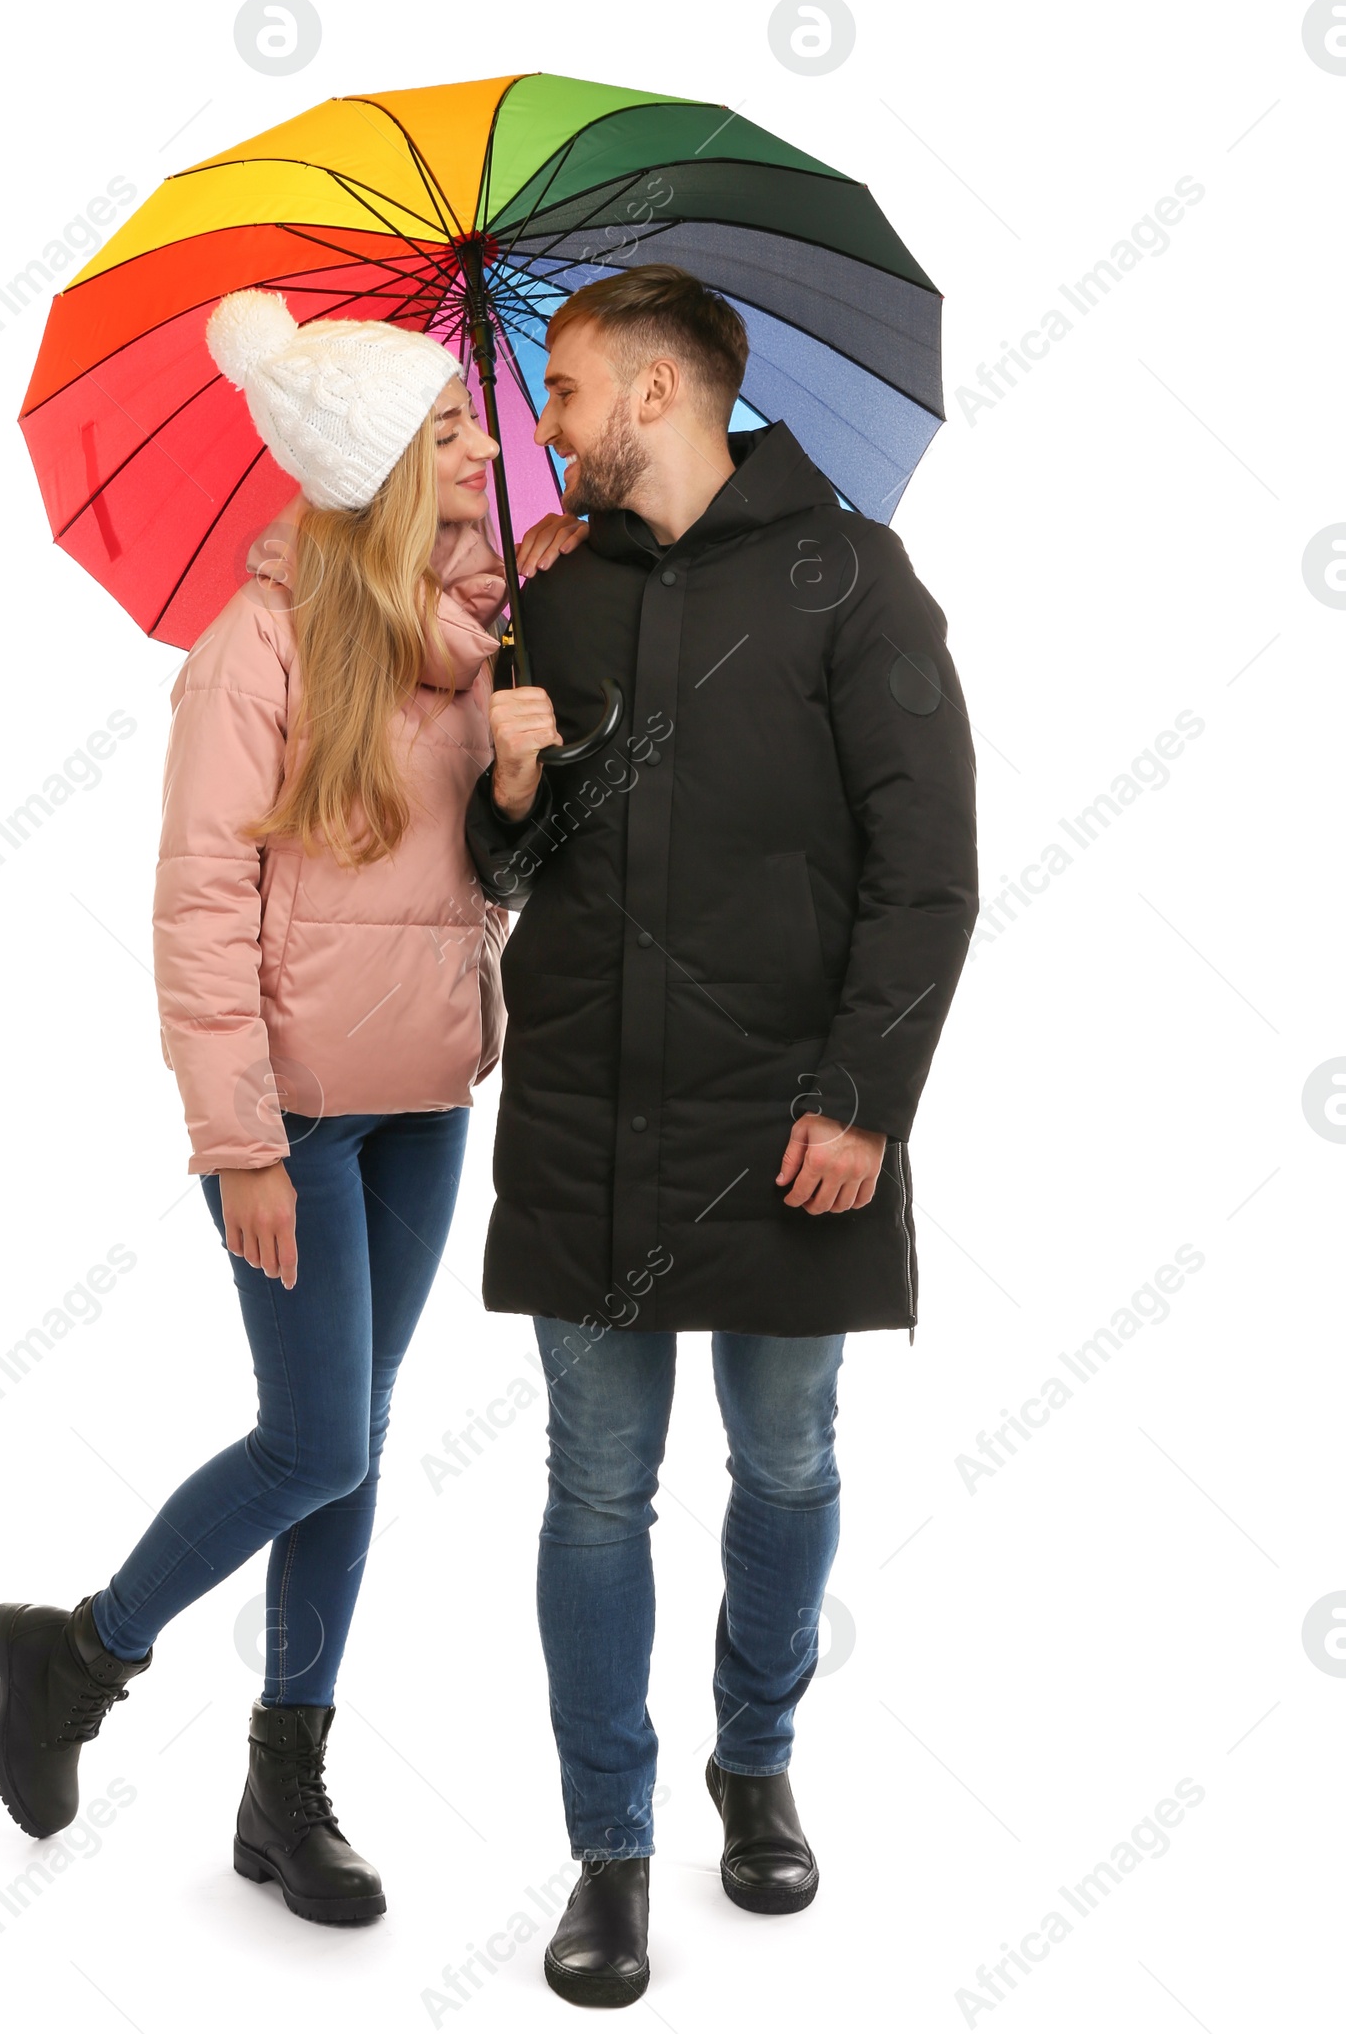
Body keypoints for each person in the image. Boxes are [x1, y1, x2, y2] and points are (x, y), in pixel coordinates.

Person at [466, 264, 979, 2007]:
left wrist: (862, 1100)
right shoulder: (555, 597)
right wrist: (510, 790)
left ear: (661, 394)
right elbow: (506, 884)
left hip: (789, 1129)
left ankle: (752, 1756)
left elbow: (930, 877)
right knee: (596, 1490)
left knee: (786, 1466)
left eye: (565, 390)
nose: (545, 424)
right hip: (587, 1117)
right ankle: (610, 1854)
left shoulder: (853, 580)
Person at [0, 288, 512, 1925]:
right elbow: (197, 905)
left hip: (427, 1098)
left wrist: (515, 772)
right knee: (317, 1438)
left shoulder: (477, 641)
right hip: (292, 1121)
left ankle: (284, 1788)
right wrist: (239, 1141)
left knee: (349, 1452)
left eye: (476, 419)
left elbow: (489, 881)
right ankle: (83, 1649)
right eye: (449, 431)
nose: (489, 445)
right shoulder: (255, 652)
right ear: (373, 471)